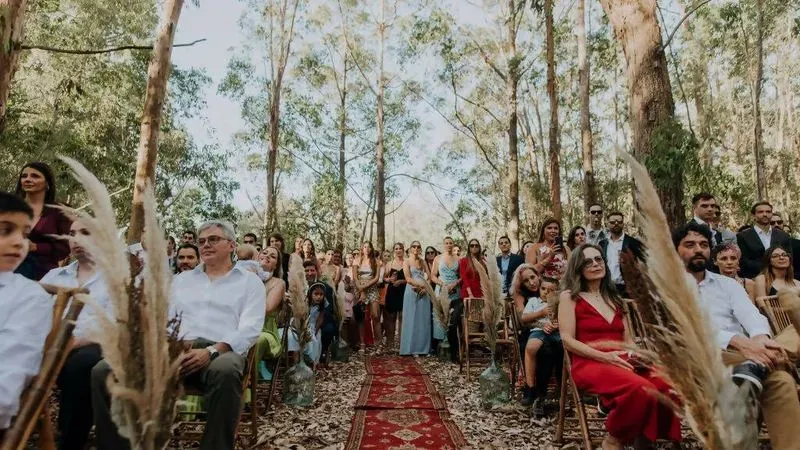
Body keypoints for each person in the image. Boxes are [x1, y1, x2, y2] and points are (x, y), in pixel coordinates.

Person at [91, 221, 266, 450]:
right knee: (105, 370)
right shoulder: (180, 281)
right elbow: (163, 323)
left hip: (220, 351)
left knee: (226, 371)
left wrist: (211, 351)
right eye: (201, 241)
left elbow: (250, 329)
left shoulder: (249, 282)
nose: (206, 245)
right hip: (174, 350)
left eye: (213, 239)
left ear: (232, 245)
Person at [675, 222, 800, 450]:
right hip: (700, 356)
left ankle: (758, 364)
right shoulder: (667, 287)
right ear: (674, 251)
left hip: (743, 355)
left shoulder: (726, 285)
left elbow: (750, 314)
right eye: (690, 244)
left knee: (781, 382)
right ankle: (762, 362)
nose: (698, 249)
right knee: (776, 367)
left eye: (703, 244)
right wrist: (738, 341)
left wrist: (761, 338)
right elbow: (685, 328)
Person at [558, 244, 682, 449]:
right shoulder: (570, 297)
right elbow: (567, 340)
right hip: (589, 362)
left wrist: (636, 354)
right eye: (588, 261)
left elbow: (629, 340)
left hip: (623, 359)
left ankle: (644, 439)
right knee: (643, 389)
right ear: (578, 268)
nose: (595, 264)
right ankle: (614, 439)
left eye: (599, 259)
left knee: (666, 384)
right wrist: (605, 357)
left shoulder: (616, 299)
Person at [39, 219, 116, 449]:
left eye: (85, 232)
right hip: (49, 344)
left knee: (81, 366)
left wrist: (73, 342)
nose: (76, 238)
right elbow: (31, 310)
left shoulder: (114, 279)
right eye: (72, 233)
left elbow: (115, 324)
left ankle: (70, 441)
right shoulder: (55, 276)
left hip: (93, 345)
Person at [0, 192, 51, 432]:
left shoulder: (29, 298)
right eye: (4, 230)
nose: (19, 242)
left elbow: (7, 386)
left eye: (25, 233)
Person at [14, 162, 72, 280]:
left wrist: (35, 247)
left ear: (47, 183)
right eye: (24, 176)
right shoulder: (9, 206)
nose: (28, 179)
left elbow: (65, 248)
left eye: (35, 176)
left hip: (44, 277)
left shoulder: (59, 211)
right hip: (9, 272)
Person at [520, 268, 561, 415]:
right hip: (537, 331)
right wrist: (542, 314)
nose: (545, 292)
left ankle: (560, 393)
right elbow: (524, 319)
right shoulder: (533, 301)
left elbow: (564, 319)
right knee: (531, 347)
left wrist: (556, 324)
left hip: (556, 332)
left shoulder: (559, 303)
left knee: (562, 349)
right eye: (543, 289)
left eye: (550, 291)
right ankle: (530, 387)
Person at [254, 246, 285, 381]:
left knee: (256, 340)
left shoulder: (279, 283)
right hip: (241, 325)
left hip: (266, 330)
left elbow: (267, 309)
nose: (267, 256)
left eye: (272, 256)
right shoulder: (244, 277)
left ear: (276, 264)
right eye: (264, 253)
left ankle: (247, 383)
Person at [737, 201, 791, 279]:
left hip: (781, 279)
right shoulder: (743, 236)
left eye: (768, 212)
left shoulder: (783, 236)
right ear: (753, 216)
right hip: (754, 279)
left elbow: (789, 256)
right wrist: (770, 267)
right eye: (760, 212)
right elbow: (743, 261)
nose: (765, 214)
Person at [598, 212, 644, 298]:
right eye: (612, 222)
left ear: (623, 224)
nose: (616, 224)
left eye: (619, 222)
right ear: (607, 223)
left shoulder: (633, 243)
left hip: (626, 289)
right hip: (606, 288)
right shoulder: (602, 244)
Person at [431, 237, 462, 362]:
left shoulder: (459, 259)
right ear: (444, 245)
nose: (449, 245)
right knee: (441, 315)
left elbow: (462, 276)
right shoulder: (438, 258)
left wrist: (455, 283)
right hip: (442, 288)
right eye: (447, 243)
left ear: (453, 244)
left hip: (455, 290)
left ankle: (453, 346)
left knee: (453, 316)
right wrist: (442, 284)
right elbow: (433, 275)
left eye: (451, 243)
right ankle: (440, 347)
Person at [400, 241, 433, 356]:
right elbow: (408, 278)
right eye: (414, 246)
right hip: (411, 291)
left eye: (418, 246)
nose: (416, 248)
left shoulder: (423, 261)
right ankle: (411, 348)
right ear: (410, 248)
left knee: (423, 320)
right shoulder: (406, 261)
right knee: (411, 319)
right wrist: (421, 285)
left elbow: (429, 277)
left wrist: (426, 288)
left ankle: (423, 348)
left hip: (424, 292)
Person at [352, 241, 381, 347]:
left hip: (372, 288)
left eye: (369, 247)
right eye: (365, 247)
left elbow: (377, 278)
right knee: (361, 317)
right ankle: (362, 343)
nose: (367, 249)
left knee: (375, 316)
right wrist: (361, 290)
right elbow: (355, 277)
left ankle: (378, 343)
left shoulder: (376, 261)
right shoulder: (357, 260)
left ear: (371, 249)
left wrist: (364, 286)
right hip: (360, 289)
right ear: (362, 248)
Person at [383, 242, 407, 349]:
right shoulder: (390, 263)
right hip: (392, 291)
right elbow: (384, 278)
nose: (398, 250)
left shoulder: (407, 263)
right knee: (390, 318)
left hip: (404, 291)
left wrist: (402, 281)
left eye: (400, 248)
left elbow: (410, 278)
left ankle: (402, 344)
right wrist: (389, 279)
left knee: (402, 317)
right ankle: (390, 343)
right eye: (396, 249)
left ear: (403, 250)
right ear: (394, 251)